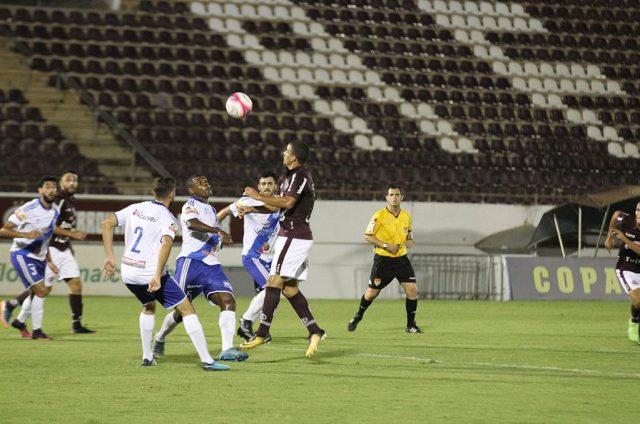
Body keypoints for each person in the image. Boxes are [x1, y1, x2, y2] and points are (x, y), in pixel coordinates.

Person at [101, 177, 229, 370]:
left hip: (128, 271)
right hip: (149, 273)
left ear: (154, 192)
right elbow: (167, 243)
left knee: (149, 306)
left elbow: (106, 223)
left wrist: (110, 257)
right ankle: (207, 360)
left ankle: (147, 357)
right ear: (172, 194)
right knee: (187, 310)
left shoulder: (135, 208)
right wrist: (157, 275)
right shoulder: (167, 217)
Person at [239, 141, 326, 358]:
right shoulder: (286, 175)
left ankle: (261, 332)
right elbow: (275, 203)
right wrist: (253, 207)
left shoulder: (301, 175)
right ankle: (315, 331)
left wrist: (256, 195)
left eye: (287, 151)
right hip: (292, 236)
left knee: (273, 282)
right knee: (289, 289)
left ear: (294, 157)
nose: (284, 153)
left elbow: (287, 202)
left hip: (295, 235)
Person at [150, 175, 248, 362]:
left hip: (211, 265)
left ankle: (227, 349)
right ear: (191, 190)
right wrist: (218, 231)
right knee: (180, 311)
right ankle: (160, 336)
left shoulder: (211, 209)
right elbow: (191, 224)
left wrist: (218, 238)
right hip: (190, 263)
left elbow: (210, 229)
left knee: (228, 301)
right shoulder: (190, 205)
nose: (206, 184)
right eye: (200, 183)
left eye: (207, 182)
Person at [1, 171, 95, 334]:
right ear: (61, 184)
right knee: (42, 289)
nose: (72, 183)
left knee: (73, 285)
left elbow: (56, 225)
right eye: (68, 180)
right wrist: (70, 234)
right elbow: (51, 228)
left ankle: (76, 324)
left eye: (75, 180)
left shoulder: (69, 200)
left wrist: (68, 242)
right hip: (50, 248)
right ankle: (16, 310)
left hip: (62, 248)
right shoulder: (55, 200)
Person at [347, 185, 423, 334]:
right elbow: (368, 236)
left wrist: (410, 242)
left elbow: (409, 237)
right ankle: (358, 316)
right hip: (383, 260)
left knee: (412, 291)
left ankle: (410, 325)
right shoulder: (379, 215)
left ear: (402, 197)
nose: (394, 197)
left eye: (397, 194)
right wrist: (386, 245)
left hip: (401, 259)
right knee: (371, 294)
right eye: (391, 195)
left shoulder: (406, 216)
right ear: (386, 198)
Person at [217, 170, 280, 341]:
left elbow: (272, 208)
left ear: (275, 186)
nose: (266, 187)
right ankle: (246, 322)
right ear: (258, 186)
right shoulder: (246, 201)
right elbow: (224, 212)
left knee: (271, 300)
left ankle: (259, 333)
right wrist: (215, 231)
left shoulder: (279, 202)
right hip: (253, 257)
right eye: (263, 184)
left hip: (271, 260)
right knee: (273, 289)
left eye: (270, 184)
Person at [0, 176, 60, 340]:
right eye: (47, 186)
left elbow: (47, 237)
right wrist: (25, 234)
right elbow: (4, 230)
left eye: (54, 187)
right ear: (40, 190)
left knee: (42, 290)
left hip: (39, 257)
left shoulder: (55, 211)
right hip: (22, 253)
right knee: (40, 290)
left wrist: (49, 260)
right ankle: (37, 331)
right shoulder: (28, 208)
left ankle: (15, 313)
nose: (51, 189)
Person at [605, 202, 640, 344]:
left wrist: (625, 239)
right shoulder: (626, 221)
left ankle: (634, 319)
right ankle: (634, 325)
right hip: (627, 268)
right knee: (639, 300)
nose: (639, 213)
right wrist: (609, 237)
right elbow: (615, 215)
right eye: (638, 209)